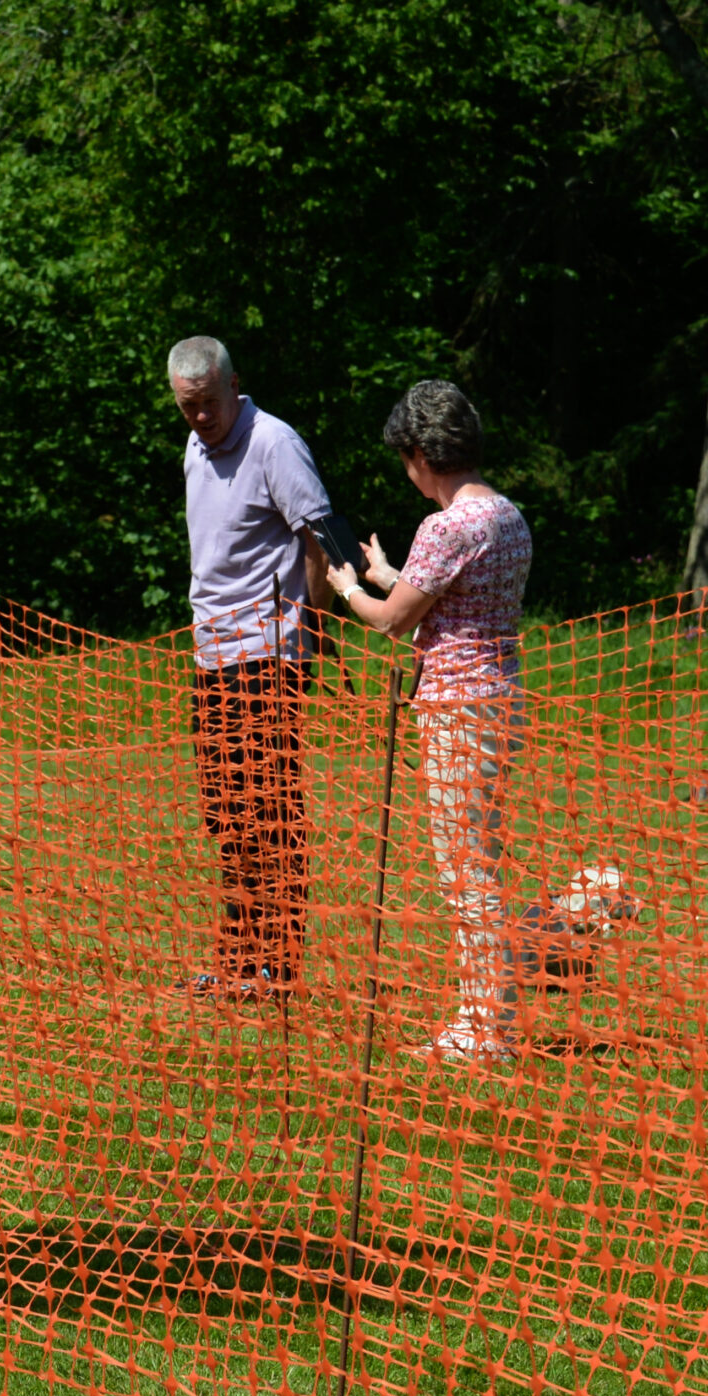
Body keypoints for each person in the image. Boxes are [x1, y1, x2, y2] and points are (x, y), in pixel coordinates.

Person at [326, 381, 535, 1063]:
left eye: (406, 459)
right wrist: (390, 570)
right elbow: (443, 599)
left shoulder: (445, 526)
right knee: (484, 862)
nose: (406, 471)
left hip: (456, 712)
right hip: (501, 699)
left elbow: (394, 621)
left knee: (465, 872)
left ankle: (484, 1030)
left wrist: (350, 587)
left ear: (421, 452)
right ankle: (489, 1016)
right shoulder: (506, 515)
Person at [167, 336, 340, 1000]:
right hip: (211, 655)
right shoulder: (195, 446)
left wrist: (310, 634)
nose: (201, 418)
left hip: (268, 655)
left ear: (234, 384)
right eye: (188, 407)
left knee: (269, 812)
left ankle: (278, 967)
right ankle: (237, 957)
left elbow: (323, 545)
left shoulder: (275, 443)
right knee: (227, 814)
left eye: (209, 403)